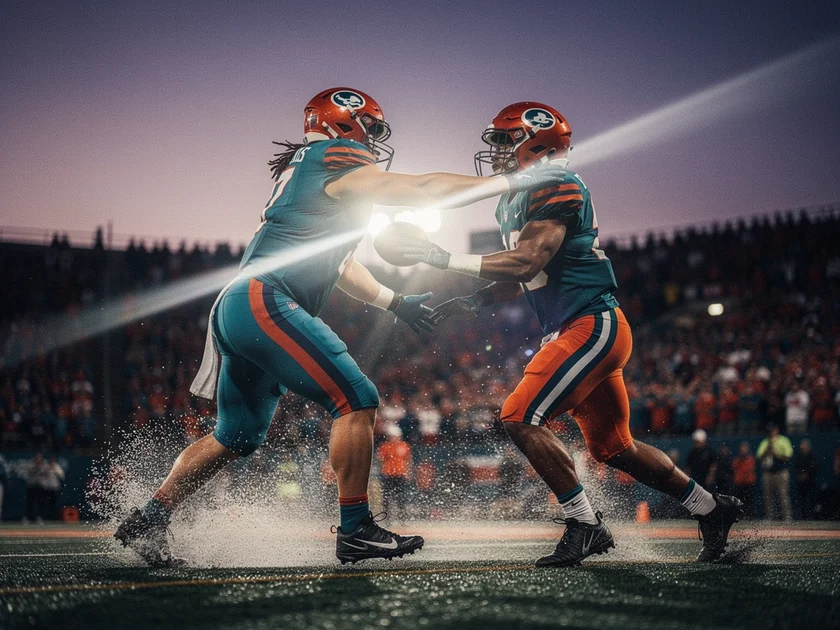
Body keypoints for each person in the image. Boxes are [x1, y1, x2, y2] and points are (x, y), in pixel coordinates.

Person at [114, 87, 568, 567]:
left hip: (240, 303)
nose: (373, 140)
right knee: (357, 399)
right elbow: (420, 190)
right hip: (265, 298)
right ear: (341, 124)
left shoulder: (315, 172)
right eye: (370, 128)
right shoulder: (334, 154)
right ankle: (355, 528)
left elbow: (345, 266)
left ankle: (149, 518)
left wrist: (395, 302)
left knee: (238, 435)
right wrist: (514, 182)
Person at [393, 101, 742, 566]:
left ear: (533, 143)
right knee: (615, 447)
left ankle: (584, 523)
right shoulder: (513, 198)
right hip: (584, 326)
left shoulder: (557, 182)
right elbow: (524, 276)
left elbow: (528, 260)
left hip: (590, 323)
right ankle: (710, 508)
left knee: (519, 416)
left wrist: (440, 258)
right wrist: (471, 301)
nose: (495, 151)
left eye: (503, 139)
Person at [756, 426, 793, 520]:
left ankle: (787, 517)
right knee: (768, 496)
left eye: (773, 430)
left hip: (781, 472)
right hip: (768, 472)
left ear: (777, 430)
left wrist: (776, 453)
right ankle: (770, 517)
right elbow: (759, 456)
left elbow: (788, 456)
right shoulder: (765, 441)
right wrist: (768, 449)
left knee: (783, 495)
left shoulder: (783, 440)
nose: (772, 432)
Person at [376, 425, 412, 520]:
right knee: (386, 498)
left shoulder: (404, 445)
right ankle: (386, 518)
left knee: (401, 497)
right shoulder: (385, 446)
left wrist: (407, 472)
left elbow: (407, 460)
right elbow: (380, 460)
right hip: (388, 473)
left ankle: (402, 517)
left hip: (399, 474)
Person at [794, 439, 818, 520]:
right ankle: (803, 517)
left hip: (810, 481)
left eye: (804, 446)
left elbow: (814, 467)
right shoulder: (799, 456)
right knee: (802, 500)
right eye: (802, 446)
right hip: (801, 482)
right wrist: (801, 475)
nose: (802, 447)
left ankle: (812, 517)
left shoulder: (812, 456)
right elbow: (797, 467)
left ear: (808, 447)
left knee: (811, 500)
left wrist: (806, 474)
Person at [732, 442, 757, 516]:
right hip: (739, 483)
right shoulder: (737, 460)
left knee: (749, 501)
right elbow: (734, 468)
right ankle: (740, 515)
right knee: (739, 501)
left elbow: (749, 470)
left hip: (748, 483)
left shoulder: (750, 459)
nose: (743, 451)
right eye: (742, 449)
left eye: (744, 449)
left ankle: (750, 516)